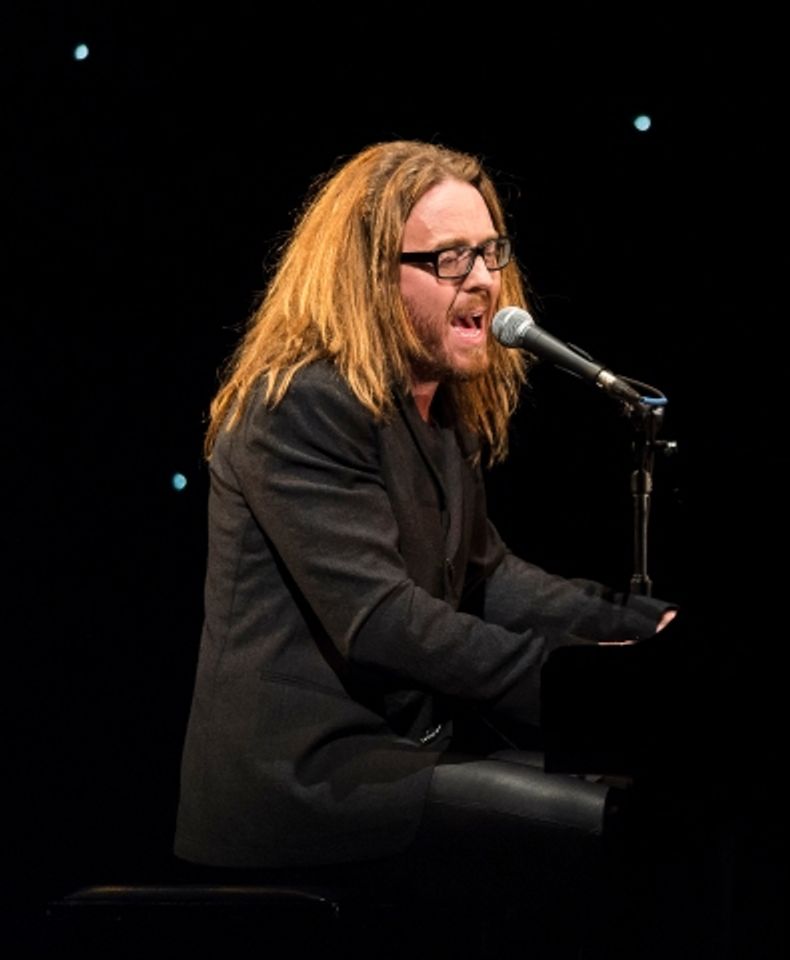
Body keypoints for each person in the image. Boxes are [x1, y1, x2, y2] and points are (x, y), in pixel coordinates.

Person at [173, 140, 676, 956]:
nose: (483, 279)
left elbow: (491, 579)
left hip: (397, 763)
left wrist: (649, 626)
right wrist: (590, 696)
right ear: (370, 274)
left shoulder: (438, 409)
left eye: (489, 252)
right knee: (608, 829)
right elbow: (382, 620)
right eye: (450, 258)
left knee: (652, 805)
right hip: (307, 782)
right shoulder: (298, 404)